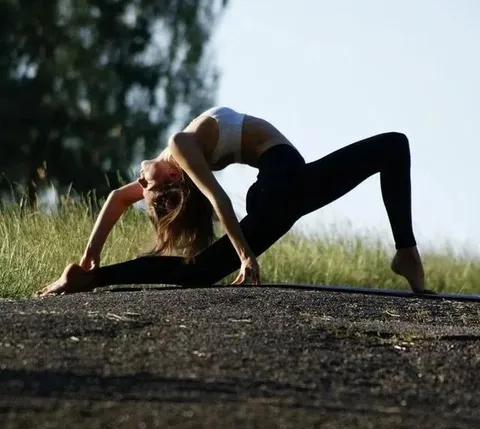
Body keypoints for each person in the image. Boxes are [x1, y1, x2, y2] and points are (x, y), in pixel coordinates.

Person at [37, 106, 436, 297]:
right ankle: (408, 255)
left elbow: (117, 198)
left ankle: (407, 255)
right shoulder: (177, 151)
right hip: (283, 183)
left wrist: (91, 256)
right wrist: (245, 255)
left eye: (144, 184)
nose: (141, 182)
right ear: (173, 177)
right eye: (149, 187)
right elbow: (213, 198)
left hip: (284, 185)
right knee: (393, 147)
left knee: (394, 147)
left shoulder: (175, 152)